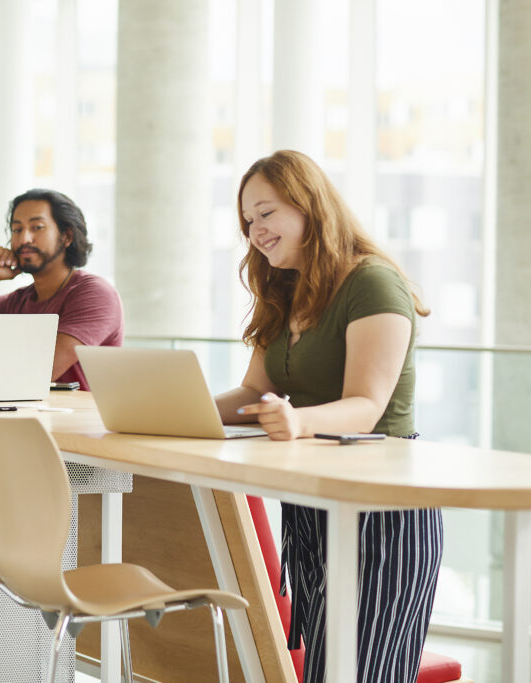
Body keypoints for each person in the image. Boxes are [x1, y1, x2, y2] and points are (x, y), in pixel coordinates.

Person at [214, 150, 443, 683]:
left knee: (366, 672)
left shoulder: (373, 283)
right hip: (314, 502)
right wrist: (183, 407)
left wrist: (299, 420)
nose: (256, 231)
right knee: (322, 670)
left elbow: (367, 406)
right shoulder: (283, 292)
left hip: (383, 509)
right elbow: (254, 390)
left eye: (266, 213)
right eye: (248, 221)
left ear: (309, 204)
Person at [0, 188, 123, 388]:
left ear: (67, 236)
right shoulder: (11, 303)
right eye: (17, 229)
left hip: (79, 417)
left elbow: (41, 371)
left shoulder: (95, 294)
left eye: (37, 227)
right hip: (21, 411)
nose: (24, 239)